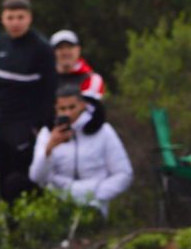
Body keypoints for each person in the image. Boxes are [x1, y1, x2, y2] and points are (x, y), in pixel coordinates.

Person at [0, 0, 56, 204]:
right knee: (4, 184)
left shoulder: (41, 48)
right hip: (2, 126)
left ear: (29, 18)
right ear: (2, 19)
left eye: (20, 17)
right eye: (10, 17)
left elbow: (49, 91)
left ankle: (31, 230)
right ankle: (10, 231)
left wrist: (38, 127)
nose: (15, 22)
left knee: (26, 183)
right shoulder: (0, 43)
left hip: (27, 127)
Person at [29, 84, 132, 215]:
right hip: (58, 203)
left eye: (72, 107)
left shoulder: (104, 131)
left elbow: (124, 173)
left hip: (95, 203)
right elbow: (37, 177)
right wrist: (49, 149)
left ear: (82, 105)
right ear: (56, 109)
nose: (68, 113)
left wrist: (96, 195)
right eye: (62, 109)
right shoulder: (47, 134)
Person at [51, 30, 106, 99]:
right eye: (60, 48)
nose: (65, 52)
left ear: (78, 49)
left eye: (69, 47)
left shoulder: (93, 80)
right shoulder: (43, 78)